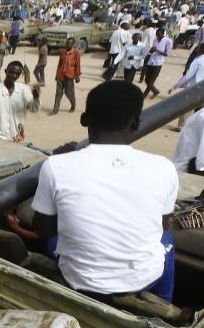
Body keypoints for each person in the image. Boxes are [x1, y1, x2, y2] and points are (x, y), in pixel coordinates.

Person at [30, 81, 179, 302]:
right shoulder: (164, 167)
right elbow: (162, 225)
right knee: (166, 239)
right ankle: (164, 304)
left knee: (55, 242)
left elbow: (42, 228)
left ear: (84, 119)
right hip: (144, 278)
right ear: (136, 122)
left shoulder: (56, 165)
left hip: (79, 279)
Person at [50, 36, 81, 115]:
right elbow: (59, 64)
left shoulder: (76, 53)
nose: (68, 44)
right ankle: (55, 110)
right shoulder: (62, 52)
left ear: (73, 44)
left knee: (69, 93)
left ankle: (73, 105)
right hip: (60, 75)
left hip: (69, 75)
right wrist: (57, 74)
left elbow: (77, 65)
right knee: (58, 93)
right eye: (67, 43)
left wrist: (77, 76)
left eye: (70, 43)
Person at [143, 28, 172, 98]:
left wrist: (157, 50)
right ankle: (156, 91)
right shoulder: (155, 40)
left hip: (158, 63)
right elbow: (153, 49)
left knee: (151, 82)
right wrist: (151, 51)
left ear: (163, 34)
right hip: (151, 61)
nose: (157, 35)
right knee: (146, 79)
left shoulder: (168, 41)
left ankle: (144, 95)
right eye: (156, 34)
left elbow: (167, 54)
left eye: (159, 34)